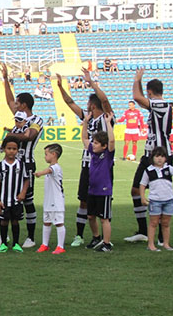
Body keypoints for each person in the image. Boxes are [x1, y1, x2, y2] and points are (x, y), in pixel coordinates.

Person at [55, 70, 114, 247]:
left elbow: (104, 101)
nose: (86, 105)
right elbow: (69, 102)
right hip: (87, 164)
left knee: (102, 203)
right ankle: (83, 235)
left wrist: (91, 82)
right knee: (84, 200)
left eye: (89, 103)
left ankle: (106, 240)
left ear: (93, 105)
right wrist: (60, 87)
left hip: (103, 166)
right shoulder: (87, 118)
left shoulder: (106, 117)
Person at [124, 69, 173, 245]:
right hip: (148, 155)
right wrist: (139, 82)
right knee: (135, 190)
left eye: (148, 93)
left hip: (161, 156)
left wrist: (137, 78)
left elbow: (137, 98)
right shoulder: (155, 105)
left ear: (151, 92)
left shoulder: (163, 104)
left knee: (160, 193)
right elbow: (140, 99)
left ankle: (161, 237)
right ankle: (143, 231)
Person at [0, 63, 43, 248]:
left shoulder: (37, 120)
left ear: (24, 105)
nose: (14, 105)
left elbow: (28, 136)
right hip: (10, 164)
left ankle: (30, 237)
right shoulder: (19, 115)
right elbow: (9, 100)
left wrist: (10, 135)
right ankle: (5, 236)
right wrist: (5, 79)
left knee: (27, 200)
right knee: (6, 198)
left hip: (27, 164)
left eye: (18, 103)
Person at [82, 111, 116, 253]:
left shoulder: (107, 154)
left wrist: (108, 123)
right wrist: (85, 123)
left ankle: (106, 244)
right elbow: (84, 138)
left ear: (103, 146)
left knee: (104, 218)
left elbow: (112, 141)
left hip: (104, 190)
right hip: (92, 189)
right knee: (90, 216)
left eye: (96, 143)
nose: (93, 145)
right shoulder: (93, 152)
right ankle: (96, 237)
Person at [140, 146, 173, 252]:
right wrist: (143, 197)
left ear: (165, 158)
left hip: (168, 200)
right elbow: (142, 184)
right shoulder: (149, 170)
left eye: (162, 156)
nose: (159, 159)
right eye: (157, 156)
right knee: (153, 223)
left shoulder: (168, 168)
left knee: (166, 223)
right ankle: (151, 244)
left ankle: (166, 243)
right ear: (152, 158)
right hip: (155, 200)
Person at [0, 137, 29, 253]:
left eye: (14, 149)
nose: (11, 151)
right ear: (4, 149)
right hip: (4, 200)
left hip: (16, 200)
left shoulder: (21, 165)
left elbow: (26, 179)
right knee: (4, 221)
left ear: (17, 150)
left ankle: (16, 243)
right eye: (9, 148)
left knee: (15, 221)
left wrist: (23, 192)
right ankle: (3, 243)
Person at [34, 144, 66, 254]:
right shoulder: (52, 168)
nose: (45, 157)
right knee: (46, 222)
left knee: (59, 223)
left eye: (46, 154)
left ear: (54, 154)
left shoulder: (56, 167)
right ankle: (44, 244)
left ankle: (60, 246)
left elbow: (49, 171)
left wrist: (39, 173)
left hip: (56, 201)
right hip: (48, 201)